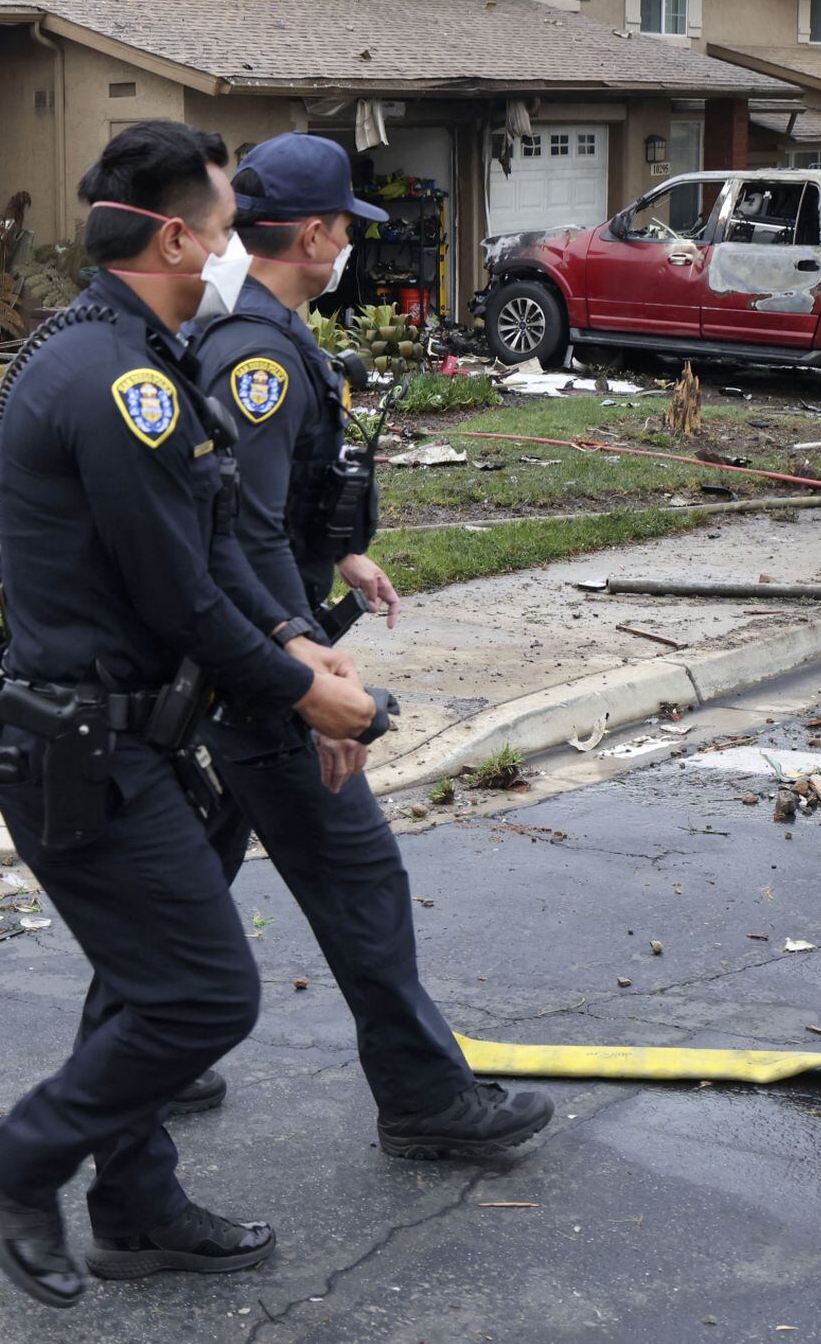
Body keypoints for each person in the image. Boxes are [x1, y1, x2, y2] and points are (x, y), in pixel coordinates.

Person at [0, 121, 382, 1310]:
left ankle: (134, 1210)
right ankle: (11, 1161)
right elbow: (178, 595)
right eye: (231, 231)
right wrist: (308, 694)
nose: (239, 253)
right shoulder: (113, 379)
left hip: (133, 737)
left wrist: (295, 642)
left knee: (149, 983)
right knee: (202, 994)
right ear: (179, 236)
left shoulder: (146, 354)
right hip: (79, 748)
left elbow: (219, 544)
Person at [187, 131, 555, 1161]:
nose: (352, 240)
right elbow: (238, 529)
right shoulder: (258, 353)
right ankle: (427, 1100)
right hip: (265, 667)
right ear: (311, 234)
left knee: (194, 871)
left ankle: (144, 1056)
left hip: (245, 650)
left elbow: (266, 506)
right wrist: (307, 660)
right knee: (360, 882)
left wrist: (339, 556)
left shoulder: (263, 336)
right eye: (347, 224)